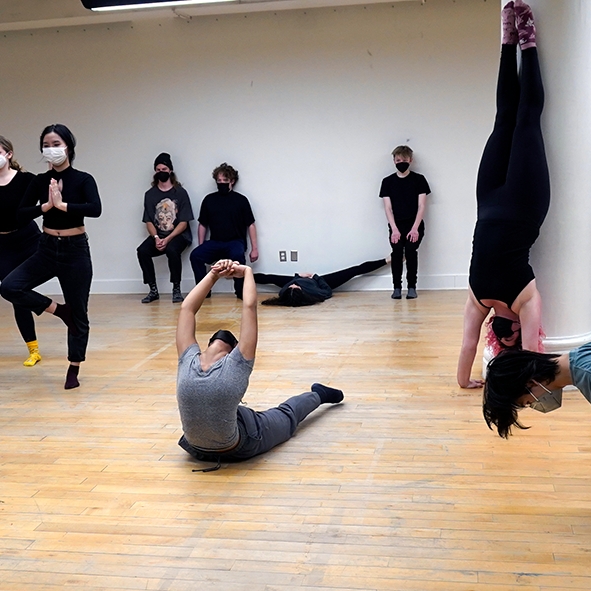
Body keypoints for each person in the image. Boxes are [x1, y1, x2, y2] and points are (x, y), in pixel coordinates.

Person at [175, 259, 344, 470]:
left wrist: (215, 274)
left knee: (235, 412)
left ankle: (245, 416)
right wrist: (244, 271)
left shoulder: (187, 360)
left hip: (196, 446)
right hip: (238, 446)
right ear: (234, 350)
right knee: (286, 414)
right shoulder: (236, 365)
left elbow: (187, 309)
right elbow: (248, 306)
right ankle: (319, 394)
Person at [457, 1, 548, 388]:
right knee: (524, 117)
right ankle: (522, 40)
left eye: (501, 339)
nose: (508, 337)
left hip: (494, 200)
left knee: (507, 117)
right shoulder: (512, 299)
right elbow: (530, 355)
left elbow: (468, 343)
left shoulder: (490, 299)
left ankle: (509, 41)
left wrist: (465, 381)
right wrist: (469, 381)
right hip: (516, 202)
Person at [0, 124, 102, 390]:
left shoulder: (83, 179)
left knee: (79, 312)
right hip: (46, 248)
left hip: (75, 250)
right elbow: (21, 214)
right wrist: (44, 206)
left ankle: (74, 368)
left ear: (68, 146)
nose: (52, 149)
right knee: (10, 286)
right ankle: (59, 310)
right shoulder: (39, 181)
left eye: (57, 144)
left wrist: (63, 205)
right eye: (47, 145)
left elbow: (95, 209)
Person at [483, 343, 591, 438]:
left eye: (528, 402)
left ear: (531, 383)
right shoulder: (582, 354)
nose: (534, 404)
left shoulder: (587, 375)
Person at [0, 136, 42, 366]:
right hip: (3, 245)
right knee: (12, 292)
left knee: (17, 291)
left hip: (27, 240)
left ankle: (33, 348)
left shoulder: (27, 180)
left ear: (9, 154)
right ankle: (34, 347)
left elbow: (46, 204)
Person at [189, 163, 258, 299]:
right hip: (215, 242)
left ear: (232, 181)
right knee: (195, 255)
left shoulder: (241, 200)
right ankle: (203, 291)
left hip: (235, 242)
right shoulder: (209, 200)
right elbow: (202, 224)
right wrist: (201, 244)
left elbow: (251, 225)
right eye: (219, 181)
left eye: (225, 181)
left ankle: (240, 292)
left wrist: (254, 249)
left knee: (238, 256)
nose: (221, 183)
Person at [136, 153, 194, 304]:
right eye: (158, 169)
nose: (161, 171)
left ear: (170, 170)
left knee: (172, 249)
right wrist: (156, 238)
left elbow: (184, 223)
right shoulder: (150, 195)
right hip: (159, 235)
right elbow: (148, 221)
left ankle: (176, 288)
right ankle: (153, 289)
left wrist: (168, 239)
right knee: (142, 251)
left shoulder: (180, 193)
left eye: (164, 168)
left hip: (179, 235)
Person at [379, 145, 430, 300]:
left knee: (410, 252)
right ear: (394, 161)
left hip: (414, 224)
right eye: (398, 160)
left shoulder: (419, 180)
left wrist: (415, 229)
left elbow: (422, 206)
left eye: (404, 160)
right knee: (396, 253)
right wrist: (394, 229)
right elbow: (388, 208)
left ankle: (412, 287)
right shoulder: (387, 182)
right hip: (396, 225)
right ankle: (396, 288)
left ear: (411, 160)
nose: (401, 162)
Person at [255, 258, 388, 307]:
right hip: (319, 280)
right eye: (295, 287)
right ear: (301, 291)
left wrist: (297, 276)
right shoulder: (315, 292)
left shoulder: (285, 292)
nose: (293, 285)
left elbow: (290, 284)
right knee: (354, 270)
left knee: (269, 278)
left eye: (291, 286)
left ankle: (239, 274)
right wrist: (314, 276)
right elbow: (327, 290)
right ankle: (387, 260)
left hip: (299, 276)